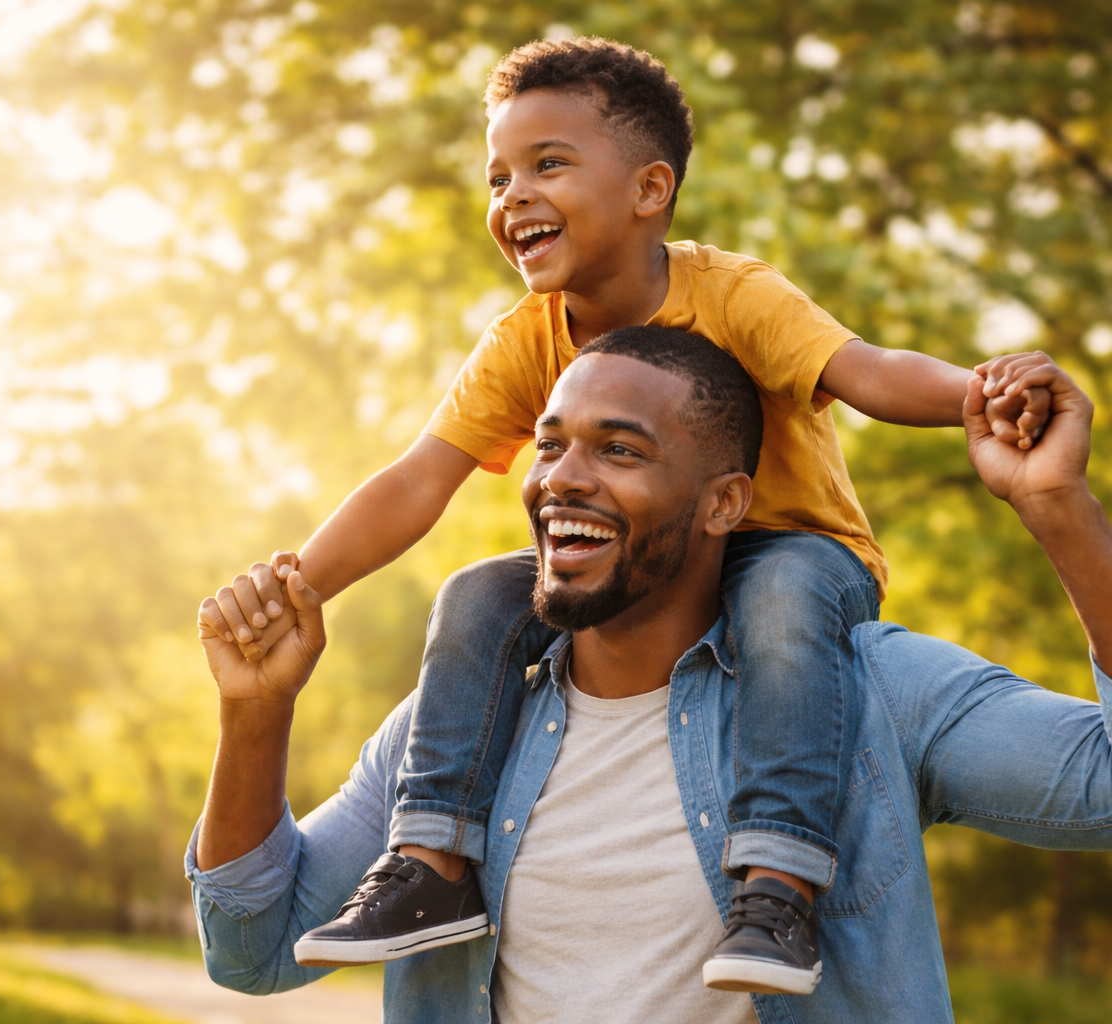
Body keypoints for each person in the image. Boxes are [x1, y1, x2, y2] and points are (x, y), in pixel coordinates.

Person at [198, 36, 1051, 990]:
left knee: (775, 608)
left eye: (548, 164)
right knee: (479, 595)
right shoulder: (528, 340)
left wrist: (983, 397)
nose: (512, 195)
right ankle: (432, 863)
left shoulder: (735, 294)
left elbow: (868, 372)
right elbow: (413, 482)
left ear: (651, 190)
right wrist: (296, 584)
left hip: (797, 559)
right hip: (639, 571)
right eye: (498, 176)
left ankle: (777, 890)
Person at [189, 331, 1110, 1023]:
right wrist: (256, 714)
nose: (563, 480)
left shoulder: (869, 693)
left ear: (724, 503)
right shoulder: (456, 725)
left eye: (619, 451)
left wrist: (1058, 508)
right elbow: (254, 951)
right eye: (550, 446)